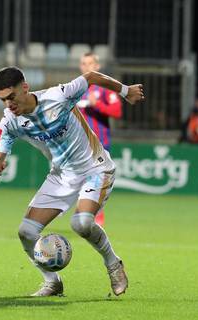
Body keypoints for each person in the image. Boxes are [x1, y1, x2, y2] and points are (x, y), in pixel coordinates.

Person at [0, 66, 144, 296]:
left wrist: (125, 90)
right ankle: (52, 282)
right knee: (26, 232)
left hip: (96, 168)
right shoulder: (11, 121)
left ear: (25, 88)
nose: (8, 104)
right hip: (61, 176)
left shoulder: (58, 96)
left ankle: (113, 263)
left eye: (11, 97)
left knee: (81, 224)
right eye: (2, 100)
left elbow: (90, 77)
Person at [76, 52, 122, 226]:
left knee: (97, 181)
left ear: (97, 66)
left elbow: (117, 112)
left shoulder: (105, 89)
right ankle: (85, 216)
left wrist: (98, 105)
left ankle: (97, 217)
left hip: (100, 144)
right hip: (78, 146)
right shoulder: (75, 89)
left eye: (89, 63)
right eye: (83, 63)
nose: (86, 67)